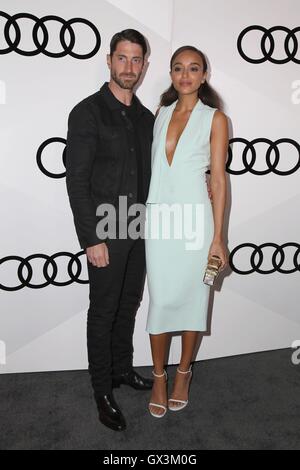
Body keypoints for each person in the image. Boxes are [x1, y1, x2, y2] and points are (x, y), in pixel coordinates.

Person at [65, 29, 155, 432]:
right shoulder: (87, 112)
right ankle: (102, 389)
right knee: (103, 312)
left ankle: (121, 369)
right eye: (123, 58)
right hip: (105, 230)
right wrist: (91, 239)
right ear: (109, 60)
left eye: (137, 60)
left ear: (144, 65)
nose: (130, 67)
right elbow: (77, 181)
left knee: (130, 303)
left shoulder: (146, 117)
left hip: (138, 229)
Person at [145, 46, 229, 418]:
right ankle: (159, 376)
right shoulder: (160, 114)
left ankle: (183, 372)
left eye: (193, 68)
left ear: (204, 75)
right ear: (171, 73)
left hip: (197, 222)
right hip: (160, 222)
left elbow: (220, 178)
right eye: (178, 68)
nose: (185, 75)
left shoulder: (216, 119)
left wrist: (218, 237)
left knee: (195, 301)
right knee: (161, 303)